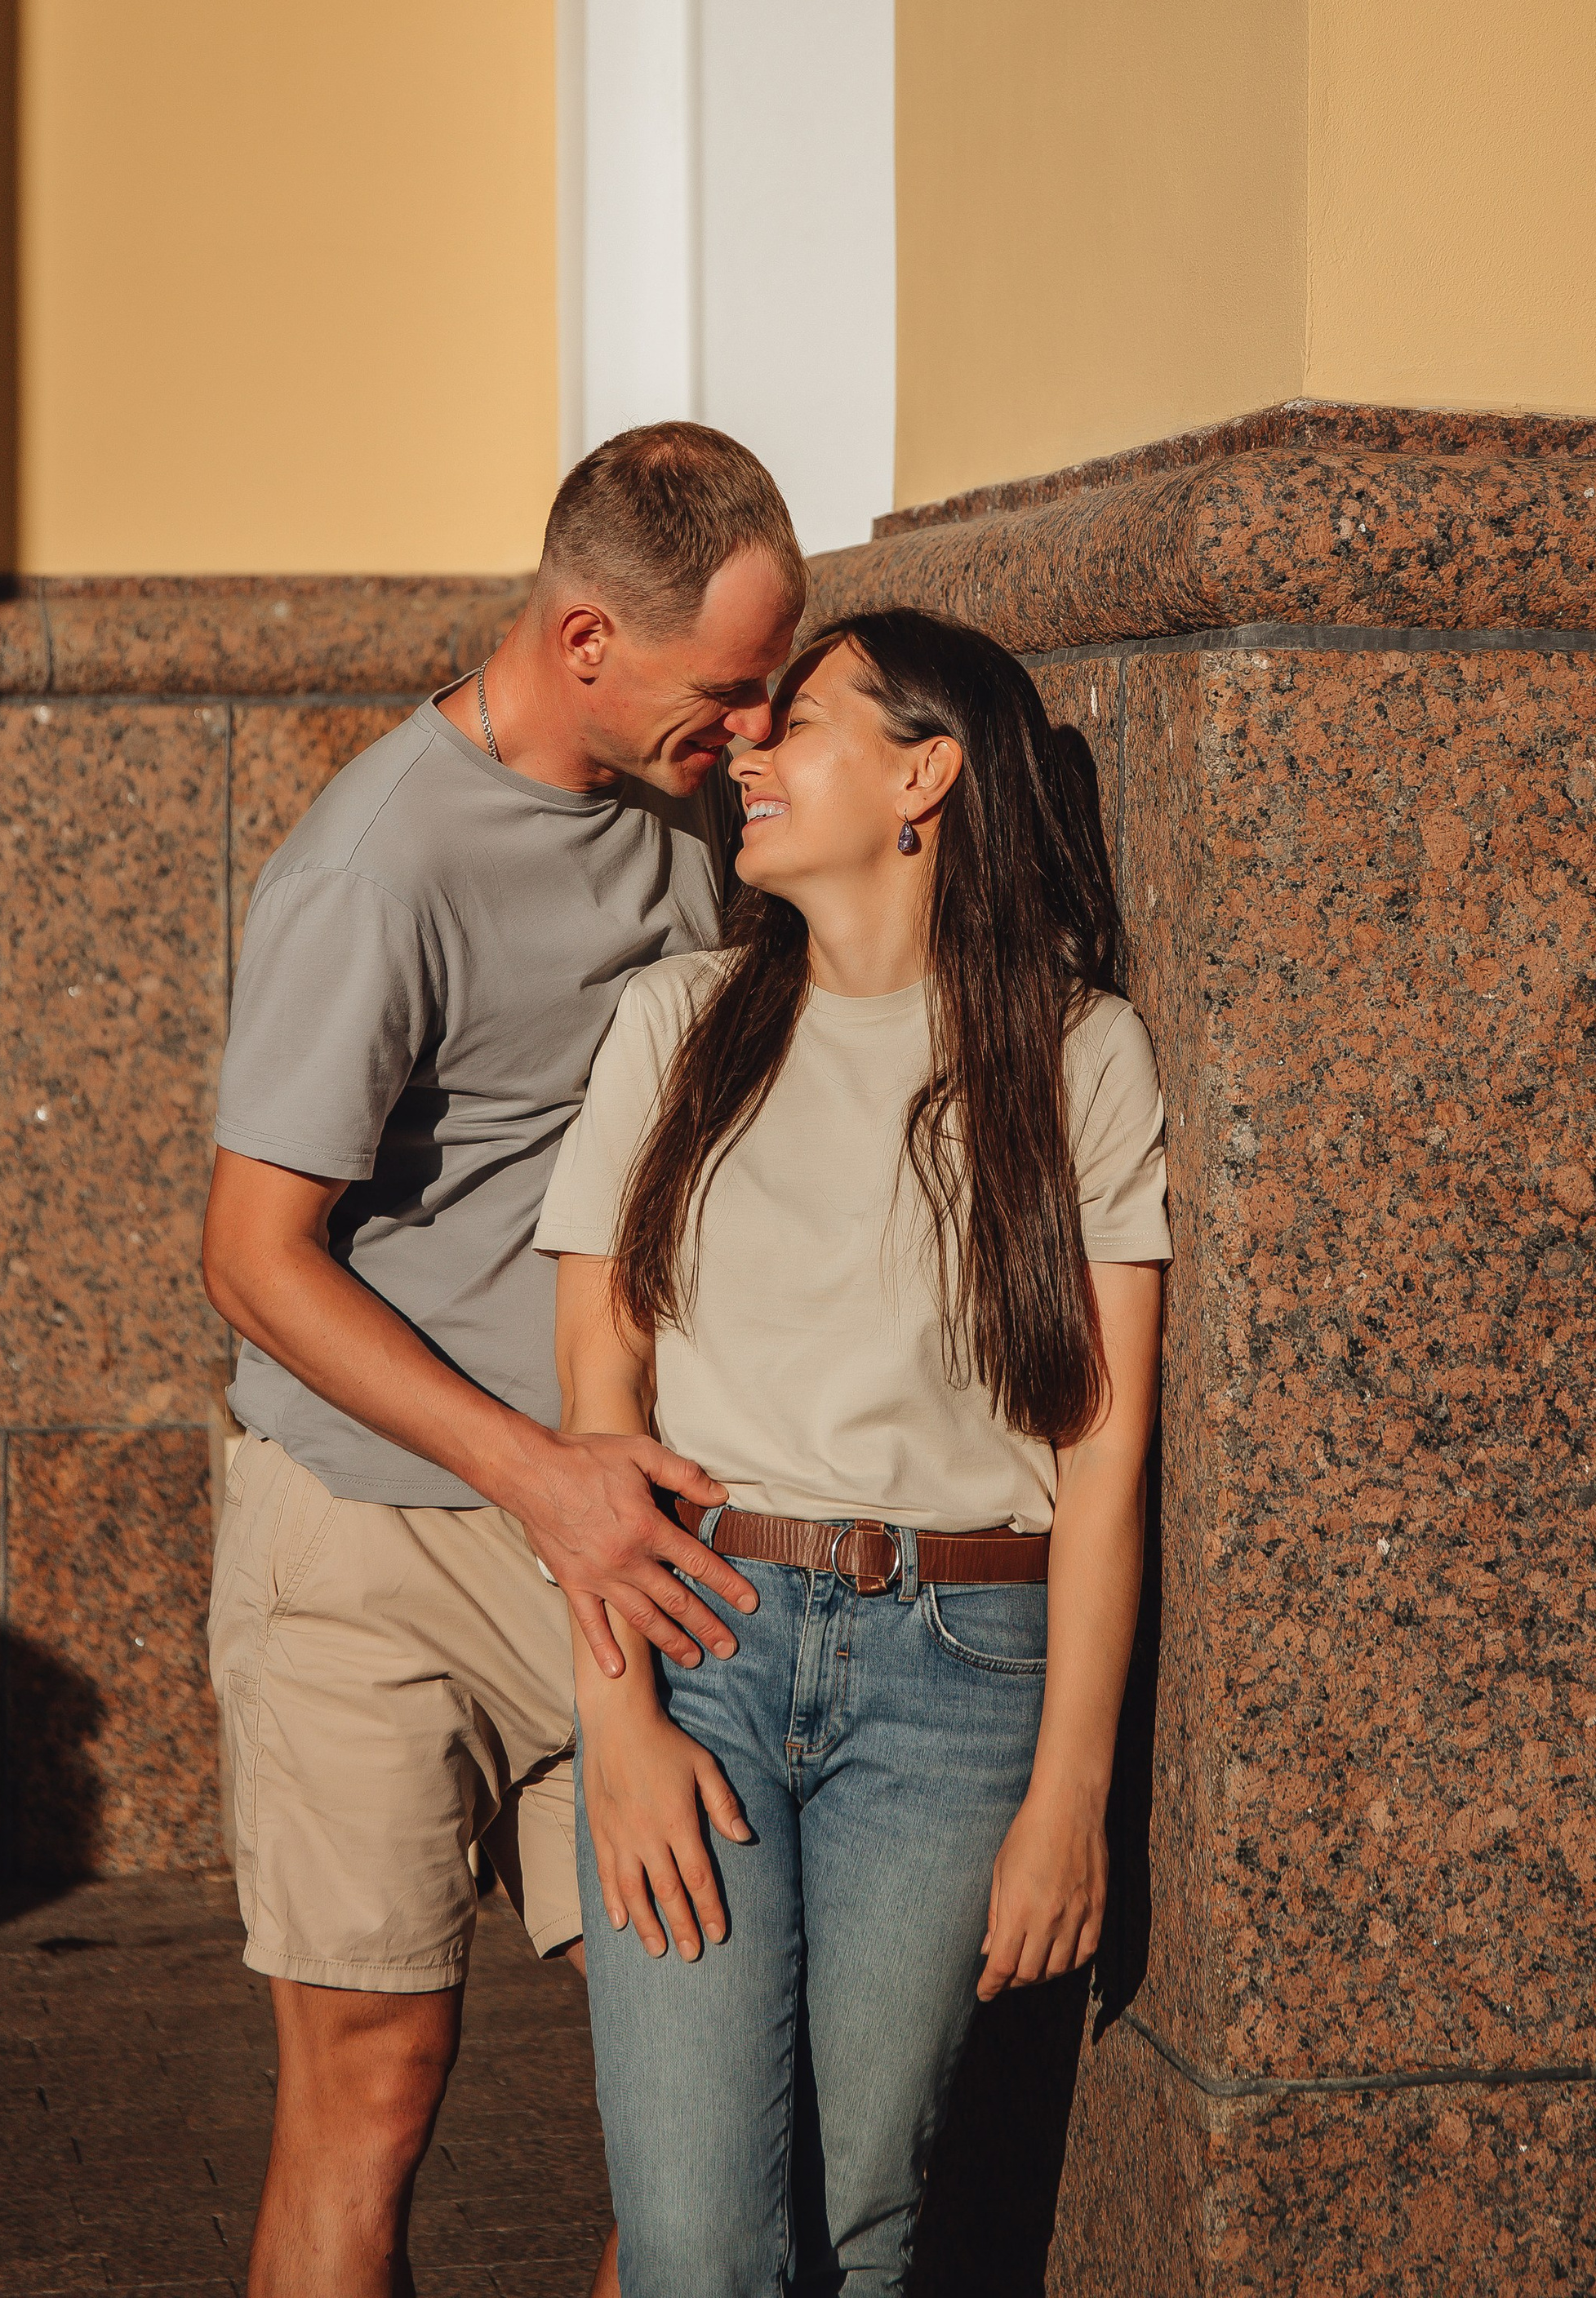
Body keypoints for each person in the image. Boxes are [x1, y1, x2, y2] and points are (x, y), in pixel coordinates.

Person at [200, 422, 806, 2298]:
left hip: (621, 1535)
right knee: (372, 2090)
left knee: (702, 2102)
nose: (758, 727)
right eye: (729, 691)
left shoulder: (693, 799)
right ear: (581, 644)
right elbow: (249, 1257)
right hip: (379, 1547)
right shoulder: (378, 865)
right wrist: (529, 1472)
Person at [536, 607, 1170, 2297]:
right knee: (690, 2246)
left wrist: (1068, 1799)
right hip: (702, 1639)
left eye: (795, 721)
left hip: (964, 1671)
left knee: (862, 2227)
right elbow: (594, 1405)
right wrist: (615, 1726)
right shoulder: (676, 1025)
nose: (744, 751)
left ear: (922, 773)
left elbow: (1100, 1469)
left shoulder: (1075, 1054)